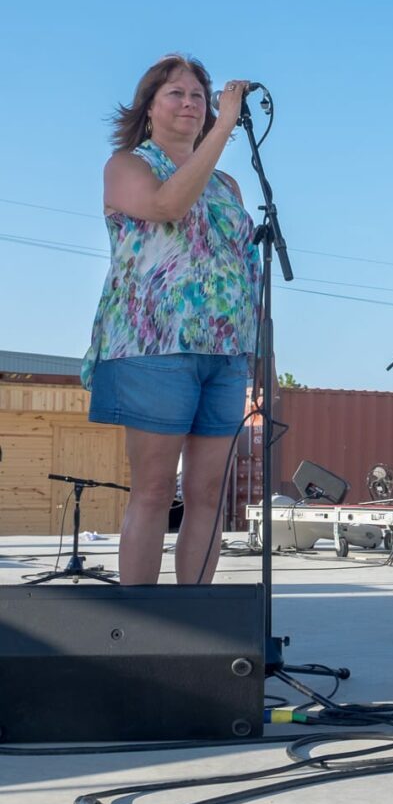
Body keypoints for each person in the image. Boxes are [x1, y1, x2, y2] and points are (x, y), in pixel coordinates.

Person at [81, 54, 261, 585]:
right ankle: (141, 628)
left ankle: (197, 624)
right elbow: (167, 208)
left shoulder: (227, 184)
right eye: (176, 94)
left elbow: (244, 266)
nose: (190, 103)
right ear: (150, 108)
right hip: (153, 346)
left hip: (225, 351)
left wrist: (258, 356)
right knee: (156, 490)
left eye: (199, 97)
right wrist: (224, 127)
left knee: (209, 494)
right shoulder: (128, 164)